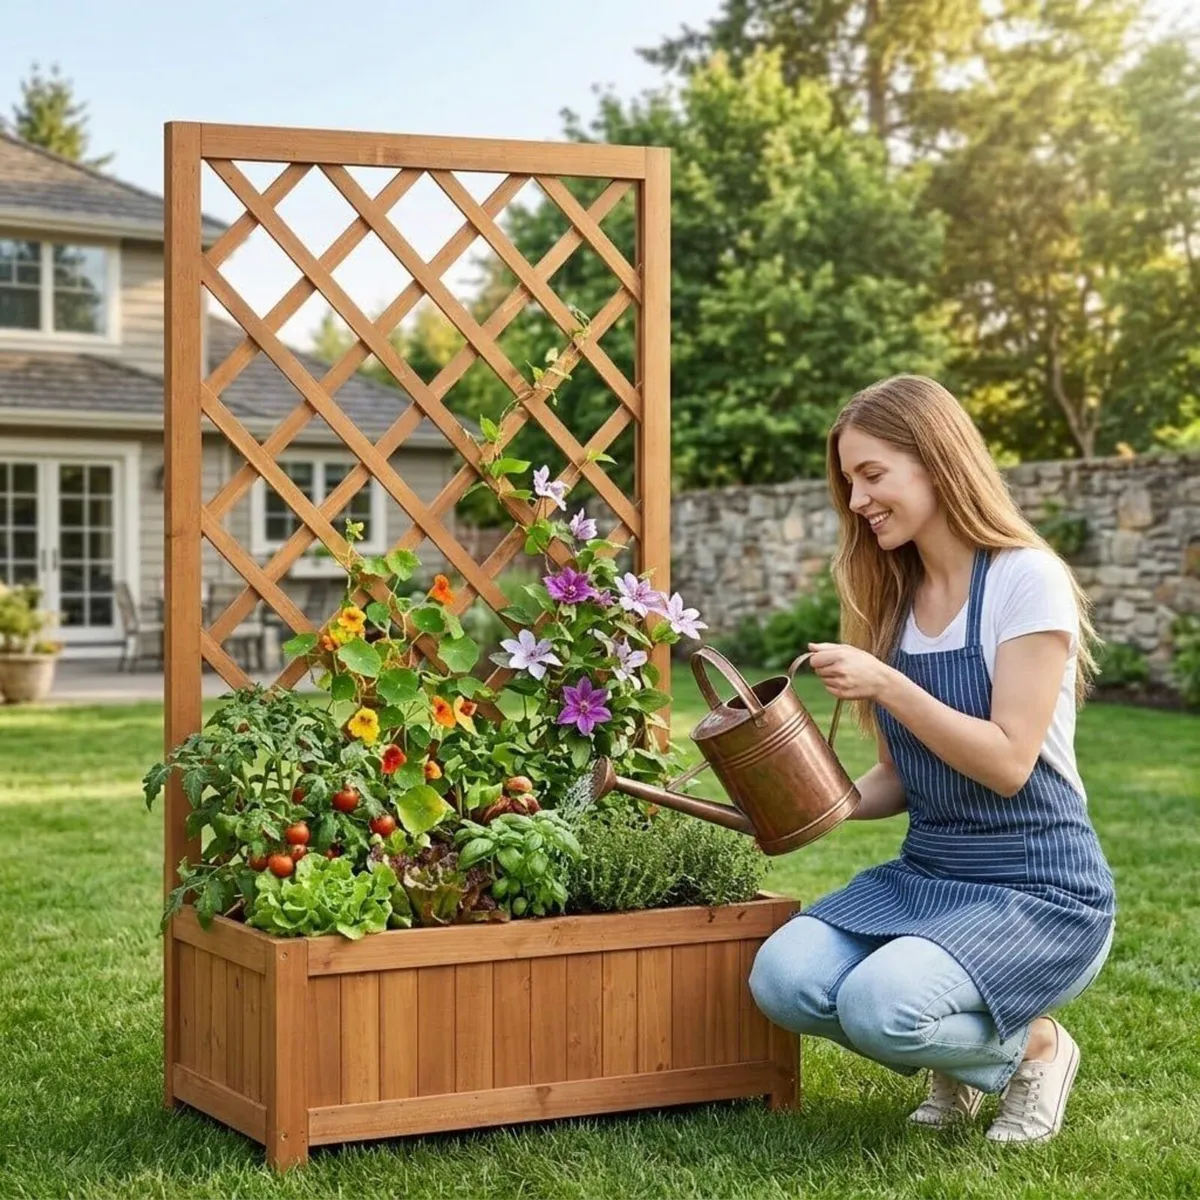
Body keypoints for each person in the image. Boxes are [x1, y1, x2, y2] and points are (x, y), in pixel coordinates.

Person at [749, 375, 1116, 1145]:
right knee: (782, 979)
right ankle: (964, 1037)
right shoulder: (893, 597)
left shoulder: (1025, 579)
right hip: (931, 875)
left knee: (881, 1006)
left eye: (872, 475)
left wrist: (888, 683)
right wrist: (817, 804)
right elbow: (904, 775)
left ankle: (1036, 1049)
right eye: (849, 482)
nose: (856, 501)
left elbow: (1010, 761)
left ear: (935, 460)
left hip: (1039, 886)